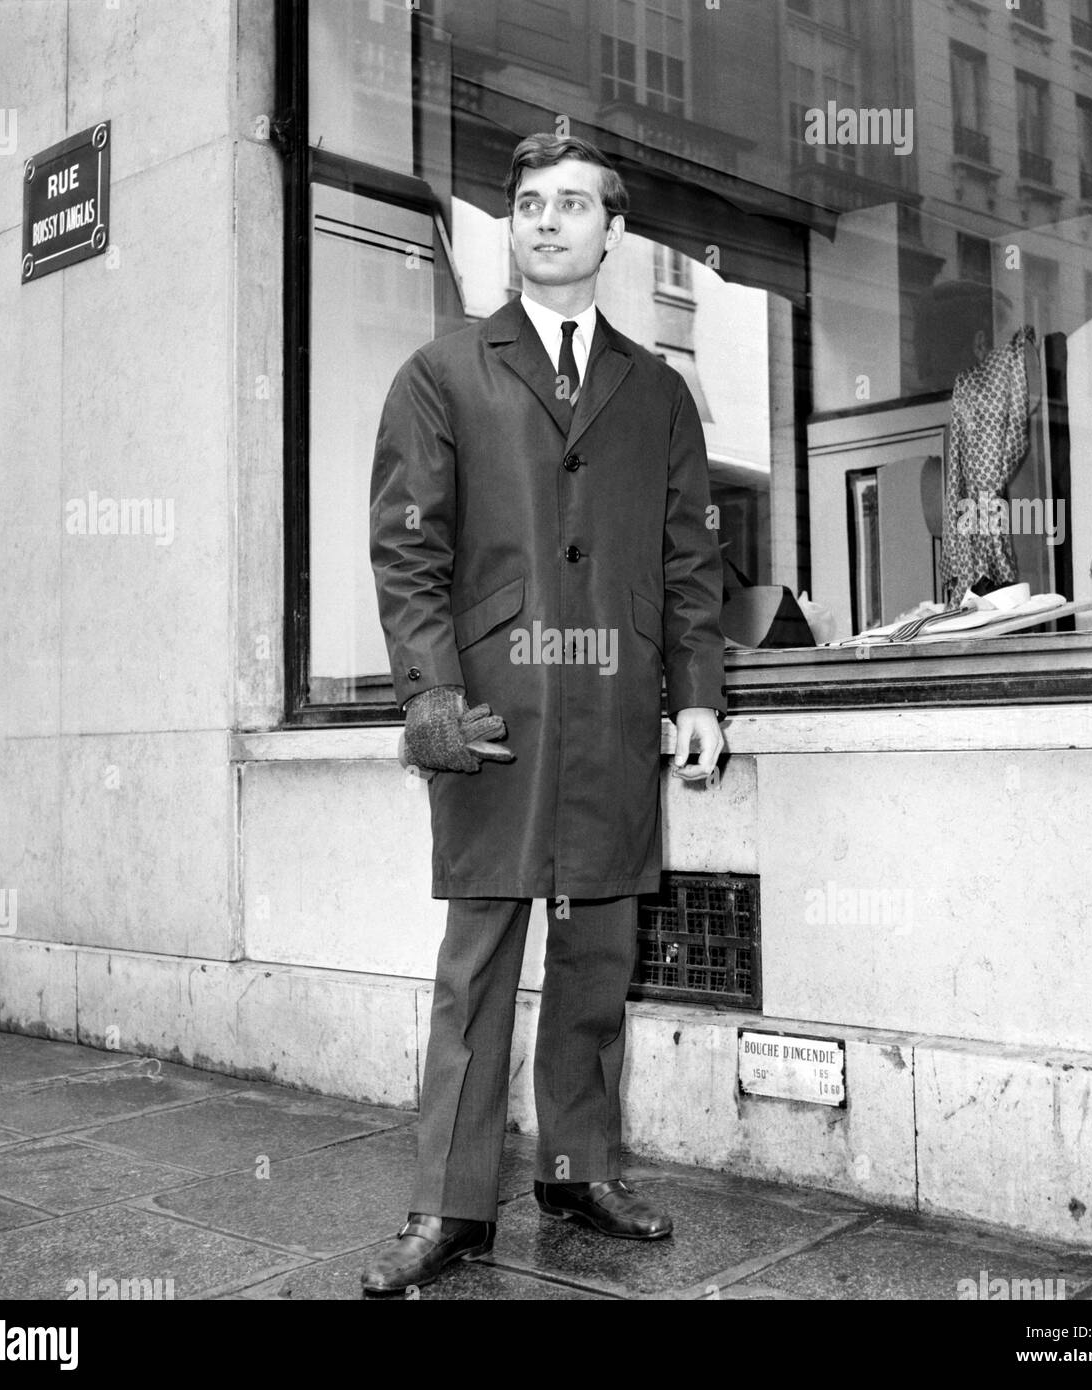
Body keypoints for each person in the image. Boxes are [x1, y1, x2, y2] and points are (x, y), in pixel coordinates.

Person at [364, 132, 725, 1295]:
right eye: (528, 204)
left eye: (572, 204)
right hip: (492, 715)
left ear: (611, 233)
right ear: (511, 228)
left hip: (613, 711)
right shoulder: (443, 372)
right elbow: (405, 550)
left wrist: (700, 694)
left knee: (596, 954)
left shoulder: (658, 391)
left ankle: (579, 1163)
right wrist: (427, 692)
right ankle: (450, 1199)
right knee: (476, 962)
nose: (546, 220)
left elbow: (686, 566)